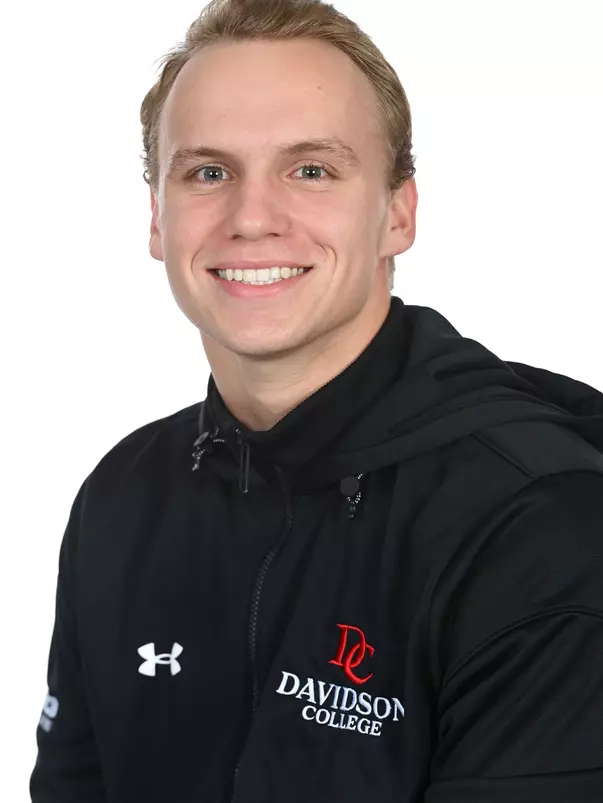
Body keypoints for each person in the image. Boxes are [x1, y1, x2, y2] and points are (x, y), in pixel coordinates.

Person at [30, 0, 603, 800]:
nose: (252, 217)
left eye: (311, 169)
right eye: (208, 172)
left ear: (397, 213)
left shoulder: (541, 523)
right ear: (158, 218)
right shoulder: (126, 496)